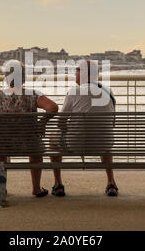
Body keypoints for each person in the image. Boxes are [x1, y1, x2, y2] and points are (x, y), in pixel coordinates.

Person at [0, 60, 58, 197]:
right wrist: (42, 123)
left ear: (7, 78)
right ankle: (36, 188)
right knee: (36, 153)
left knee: (0, 153)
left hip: (3, 145)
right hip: (29, 144)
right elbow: (53, 107)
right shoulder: (33, 94)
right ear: (24, 78)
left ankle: (1, 188)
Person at [51, 60, 119, 196]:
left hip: (76, 145)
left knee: (53, 139)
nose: (74, 74)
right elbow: (112, 123)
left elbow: (60, 122)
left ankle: (58, 184)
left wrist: (70, 129)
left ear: (83, 74)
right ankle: (111, 183)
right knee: (105, 136)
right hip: (102, 145)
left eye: (76, 70)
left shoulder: (73, 92)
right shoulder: (108, 91)